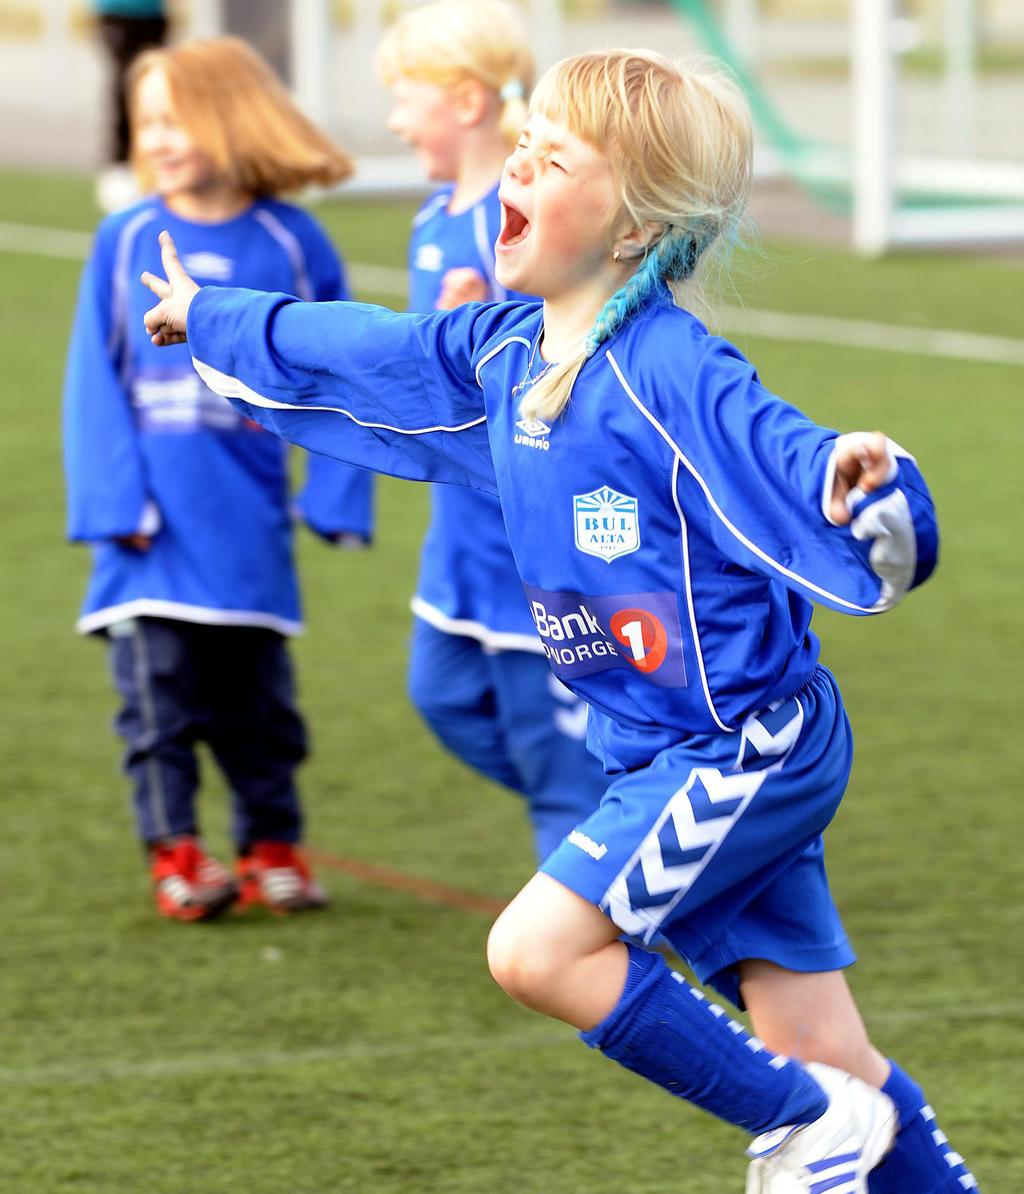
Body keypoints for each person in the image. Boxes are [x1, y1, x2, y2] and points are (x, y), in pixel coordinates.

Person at [141, 48, 980, 1193]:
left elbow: (795, 457)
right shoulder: (502, 355)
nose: (514, 176)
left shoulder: (669, 369)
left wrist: (867, 493)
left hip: (741, 746)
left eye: (551, 159)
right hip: (650, 750)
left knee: (536, 950)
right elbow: (365, 350)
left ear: (631, 224)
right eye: (518, 150)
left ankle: (802, 1128)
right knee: (827, 1049)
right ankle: (853, 1127)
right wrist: (216, 316)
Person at [63, 36, 374, 922]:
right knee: (155, 707)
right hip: (148, 531)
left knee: (258, 708)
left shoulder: (290, 240)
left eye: (177, 119)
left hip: (244, 525)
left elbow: (339, 371)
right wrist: (113, 501)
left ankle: (272, 845)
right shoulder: (122, 238)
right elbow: (95, 374)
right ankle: (178, 856)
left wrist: (337, 492)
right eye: (145, 122)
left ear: (231, 117)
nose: (157, 139)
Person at [375, 0, 608, 861]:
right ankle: (624, 816)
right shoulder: (433, 217)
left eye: (404, 97)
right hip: (458, 536)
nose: (394, 119)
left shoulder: (519, 215)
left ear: (466, 100)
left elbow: (558, 359)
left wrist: (488, 327)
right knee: (440, 695)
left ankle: (589, 930)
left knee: (551, 759)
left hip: (527, 543)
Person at [92, 0, 169, 213]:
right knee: (125, 86)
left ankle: (148, 162)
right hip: (118, 11)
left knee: (151, 85)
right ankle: (121, 163)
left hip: (152, 13)